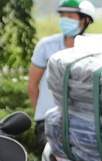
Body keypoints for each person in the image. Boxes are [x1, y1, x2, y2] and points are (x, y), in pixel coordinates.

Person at [27, 0, 96, 152]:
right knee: (55, 159)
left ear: (86, 20)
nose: (65, 19)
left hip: (82, 121)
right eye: (62, 15)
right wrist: (41, 113)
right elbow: (32, 85)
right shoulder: (46, 46)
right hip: (48, 121)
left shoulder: (94, 46)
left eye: (70, 16)